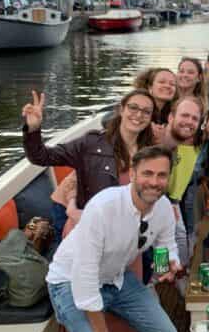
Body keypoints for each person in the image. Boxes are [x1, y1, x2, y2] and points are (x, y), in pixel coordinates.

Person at [46, 145, 180, 332]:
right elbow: (84, 276)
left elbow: (166, 242)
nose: (154, 182)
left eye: (162, 175)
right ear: (132, 173)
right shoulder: (103, 207)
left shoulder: (163, 207)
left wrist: (168, 265)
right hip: (70, 282)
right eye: (148, 173)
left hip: (115, 276)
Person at [22, 89, 155, 240]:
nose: (139, 115)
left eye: (146, 111)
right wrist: (33, 129)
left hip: (127, 240)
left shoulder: (153, 156)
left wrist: (161, 264)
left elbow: (162, 243)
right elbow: (41, 157)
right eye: (133, 107)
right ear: (121, 109)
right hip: (88, 234)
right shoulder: (91, 143)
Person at [161, 96, 203, 269]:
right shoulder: (154, 141)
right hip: (154, 205)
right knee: (162, 246)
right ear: (171, 117)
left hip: (171, 201)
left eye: (194, 118)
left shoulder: (192, 143)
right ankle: (161, 279)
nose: (189, 122)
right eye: (184, 115)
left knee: (181, 238)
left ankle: (182, 276)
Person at [134, 68, 177, 140]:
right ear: (150, 87)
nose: (167, 86)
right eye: (162, 82)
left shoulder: (174, 112)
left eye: (172, 84)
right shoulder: (137, 108)